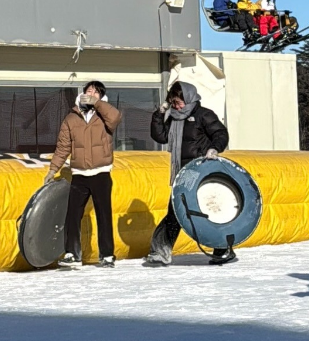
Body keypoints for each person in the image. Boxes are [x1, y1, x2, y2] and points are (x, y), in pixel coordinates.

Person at [144, 81, 234, 267]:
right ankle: (161, 251)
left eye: (179, 103)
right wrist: (159, 114)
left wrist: (214, 149)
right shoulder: (173, 117)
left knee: (206, 210)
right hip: (182, 172)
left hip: (201, 170)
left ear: (189, 98)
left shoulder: (203, 115)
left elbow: (221, 134)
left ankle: (222, 248)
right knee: (176, 211)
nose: (177, 106)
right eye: (173, 103)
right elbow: (160, 136)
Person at [45, 80, 122, 268]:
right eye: (88, 91)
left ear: (101, 97)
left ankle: (107, 255)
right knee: (72, 214)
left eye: (96, 93)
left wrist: (97, 103)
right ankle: (72, 253)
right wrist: (53, 169)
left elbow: (115, 117)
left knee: (103, 214)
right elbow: (63, 147)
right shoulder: (71, 118)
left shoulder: (105, 116)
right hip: (79, 173)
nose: (91, 94)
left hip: (101, 172)